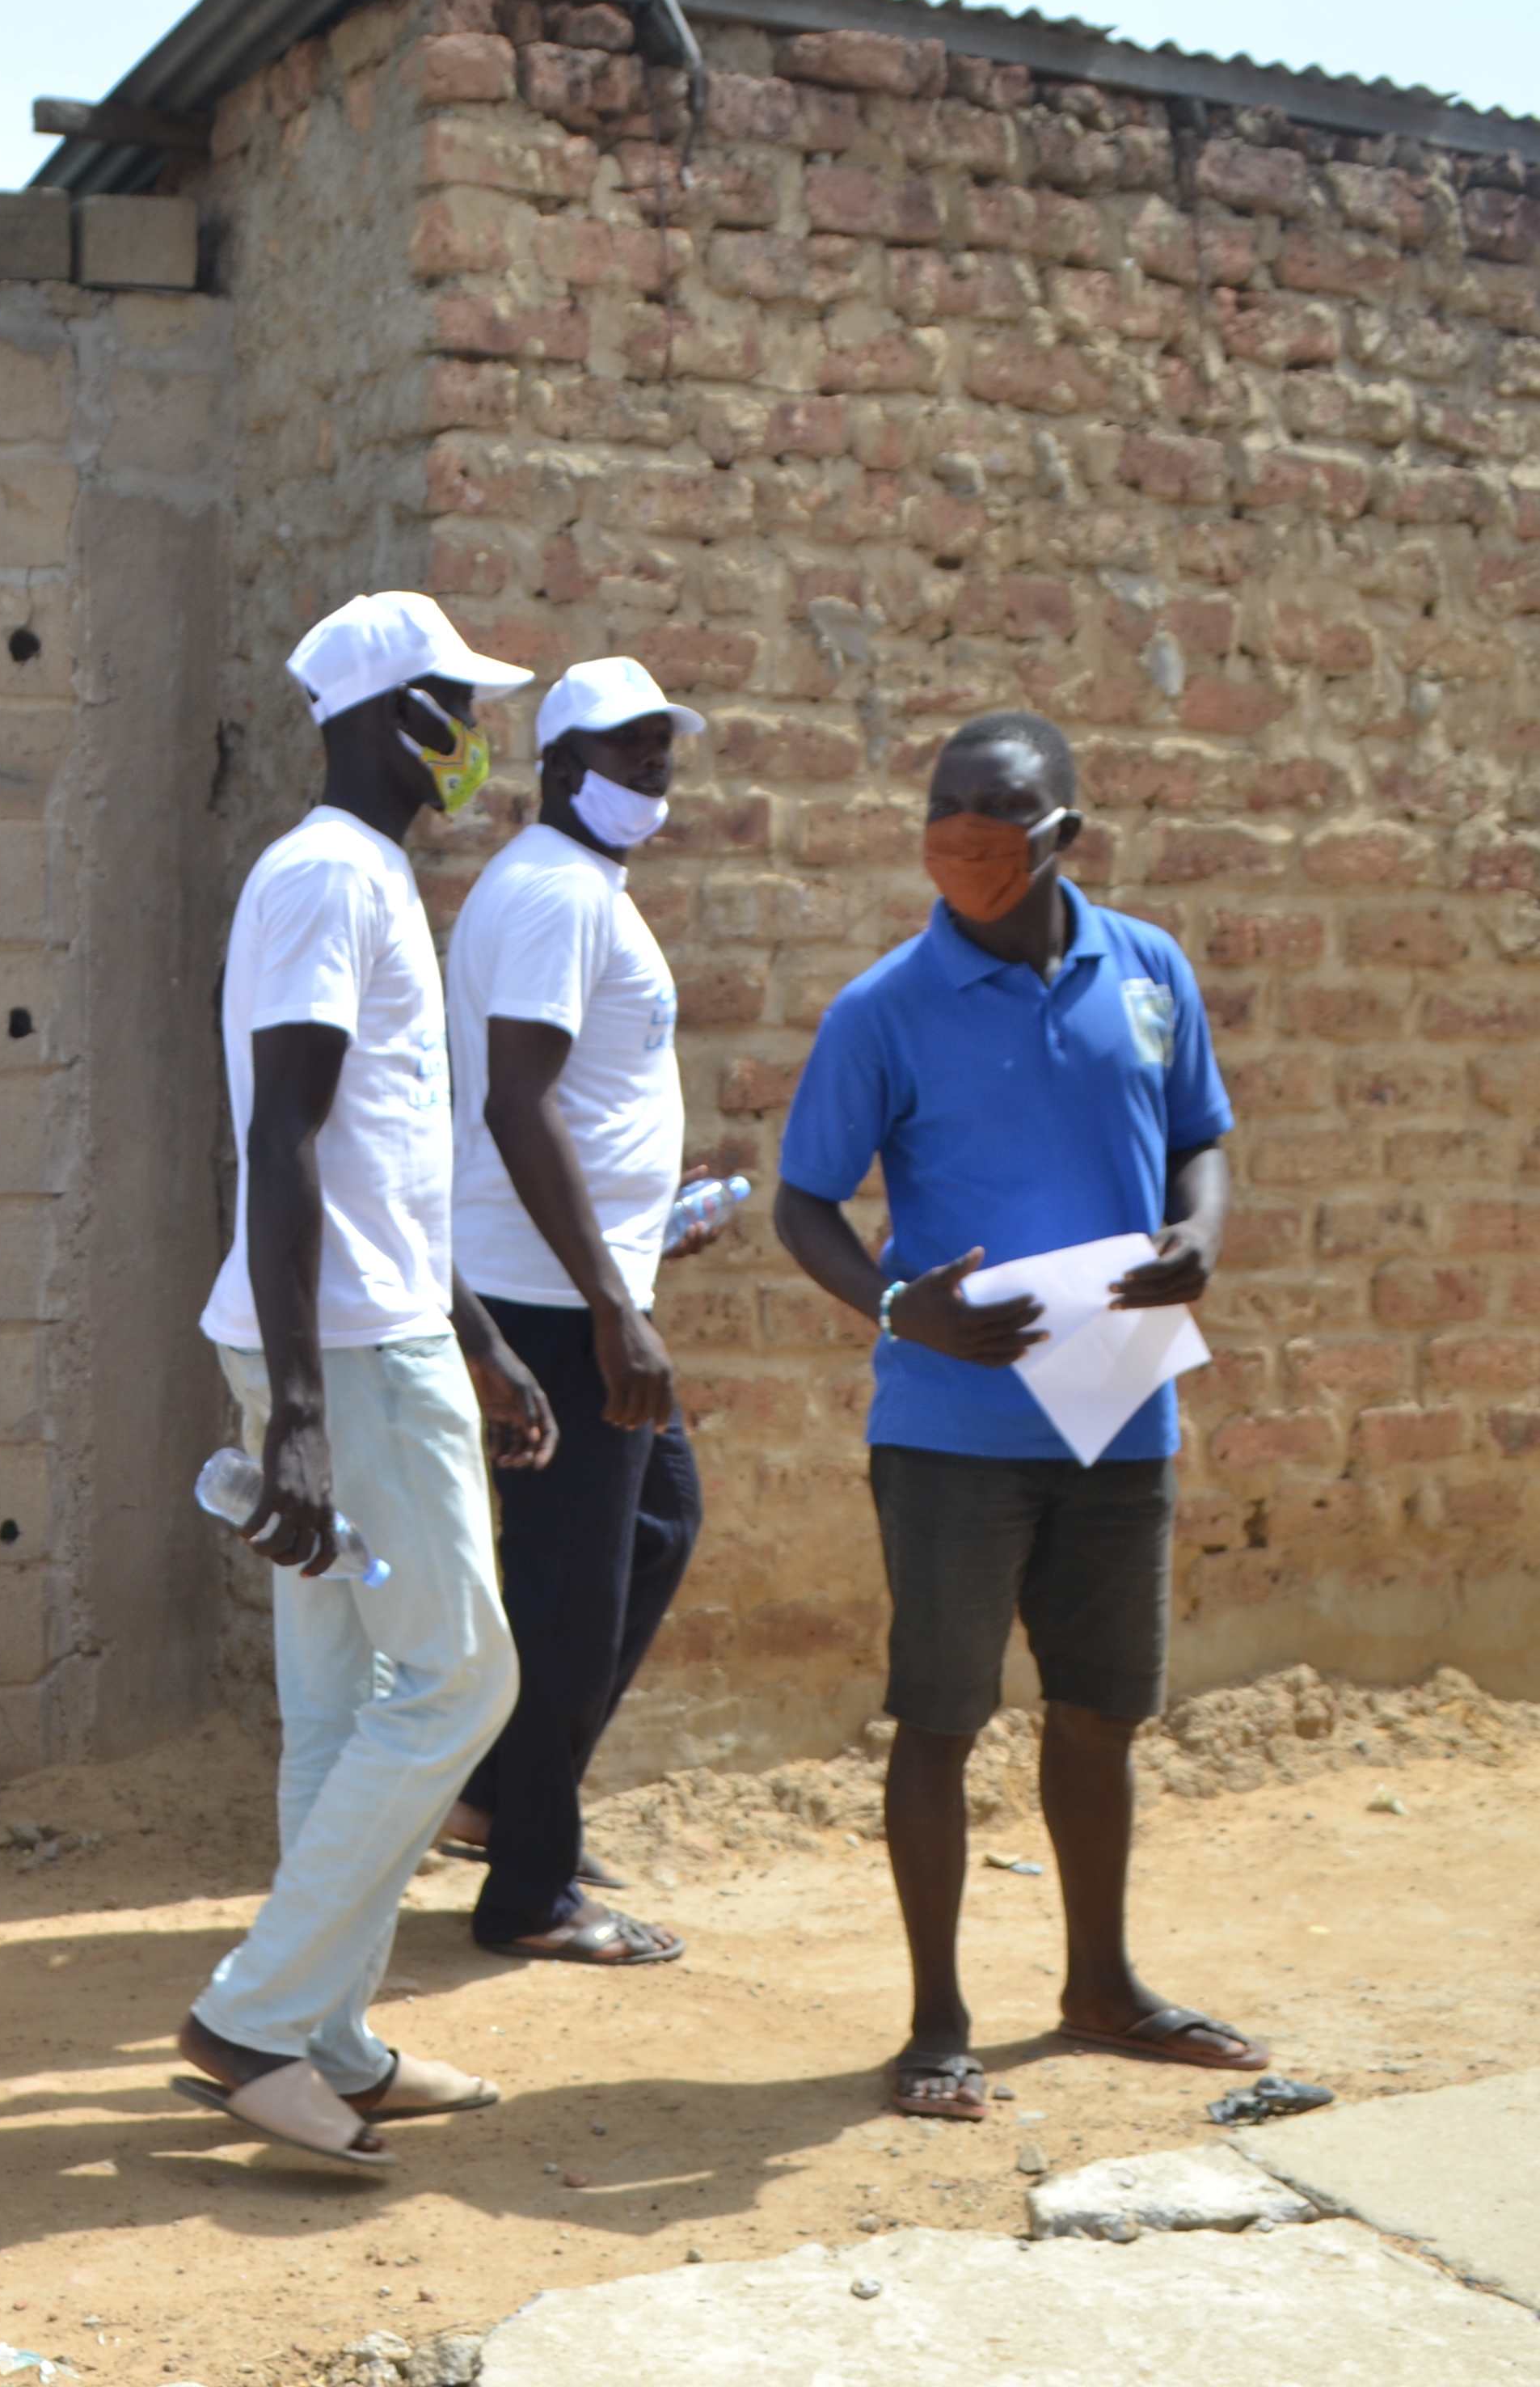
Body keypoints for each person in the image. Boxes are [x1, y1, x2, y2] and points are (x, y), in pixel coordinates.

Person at [770, 710, 1262, 2124]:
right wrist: (891, 1305)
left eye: (993, 840)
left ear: (1062, 839)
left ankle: (1100, 1985)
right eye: (942, 839)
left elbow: (1200, 1136)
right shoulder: (884, 1008)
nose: (964, 864)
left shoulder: (1150, 967)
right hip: (950, 1428)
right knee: (940, 1717)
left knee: (1100, 1713)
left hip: (1119, 1411)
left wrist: (1203, 1236)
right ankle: (935, 2024)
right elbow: (807, 1199)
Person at [176, 591, 556, 2172]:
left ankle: (321, 2040)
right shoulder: (331, 877)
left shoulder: (365, 877)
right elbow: (283, 1138)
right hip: (342, 1351)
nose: (478, 742)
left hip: (370, 1330)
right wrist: (309, 1418)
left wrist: (481, 1334)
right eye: (461, 708)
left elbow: (380, 1157)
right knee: (464, 1681)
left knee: (344, 1700)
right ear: (393, 717)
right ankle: (253, 2019)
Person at [437, 657, 726, 1969]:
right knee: (568, 1591)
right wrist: (614, 1307)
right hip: (555, 1302)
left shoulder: (574, 887)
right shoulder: (555, 892)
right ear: (559, 769)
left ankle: (508, 1798)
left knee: (658, 1526)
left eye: (665, 761)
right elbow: (515, 1099)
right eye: (630, 760)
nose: (653, 784)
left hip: (584, 1281)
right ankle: (530, 1893)